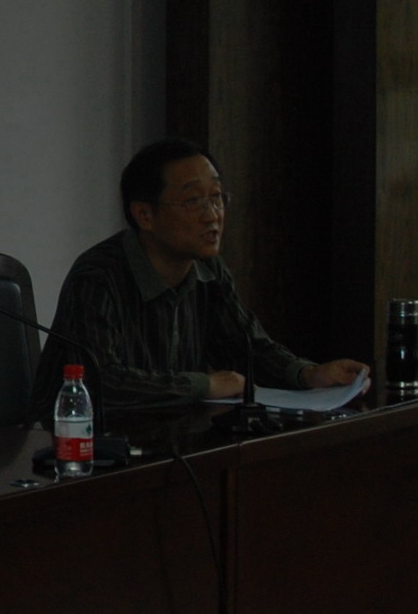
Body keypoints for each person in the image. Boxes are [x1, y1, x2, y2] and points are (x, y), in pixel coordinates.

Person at [33, 138, 367, 412]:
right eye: (193, 201)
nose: (212, 216)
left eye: (217, 197)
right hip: (71, 444)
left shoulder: (209, 269)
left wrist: (309, 374)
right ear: (144, 214)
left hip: (165, 436)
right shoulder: (98, 277)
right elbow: (99, 381)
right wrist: (203, 385)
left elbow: (247, 348)